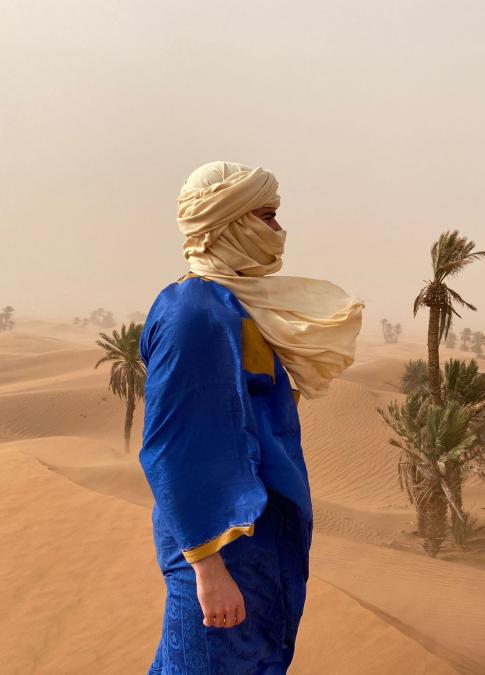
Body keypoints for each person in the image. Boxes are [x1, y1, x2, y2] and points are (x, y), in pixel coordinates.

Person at [139, 161, 364, 673]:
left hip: (253, 535)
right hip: (220, 542)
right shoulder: (194, 314)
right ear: (231, 222)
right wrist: (208, 567)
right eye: (267, 217)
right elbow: (176, 448)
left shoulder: (235, 307)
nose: (280, 232)